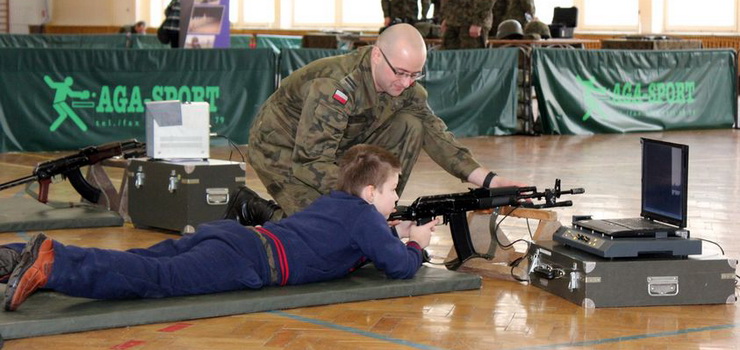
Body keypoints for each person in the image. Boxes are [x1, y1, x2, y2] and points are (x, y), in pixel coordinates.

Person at [1, 144, 437, 312]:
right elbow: (397, 266)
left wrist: (392, 232)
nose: (396, 199)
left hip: (231, 236)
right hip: (244, 259)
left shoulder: (338, 204)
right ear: (368, 193)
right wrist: (417, 246)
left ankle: (23, 253)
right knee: (156, 280)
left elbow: (350, 241)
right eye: (392, 191)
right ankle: (52, 266)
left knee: (139, 260)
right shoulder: (365, 216)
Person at [239, 23, 525, 227]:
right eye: (400, 73)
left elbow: (437, 135)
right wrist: (366, 198)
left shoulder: (405, 86)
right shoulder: (336, 87)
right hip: (283, 149)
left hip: (337, 145)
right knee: (323, 231)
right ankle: (259, 211)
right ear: (377, 56)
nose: (406, 83)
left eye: (415, 75)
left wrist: (491, 181)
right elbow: (311, 161)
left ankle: (373, 211)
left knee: (412, 124)